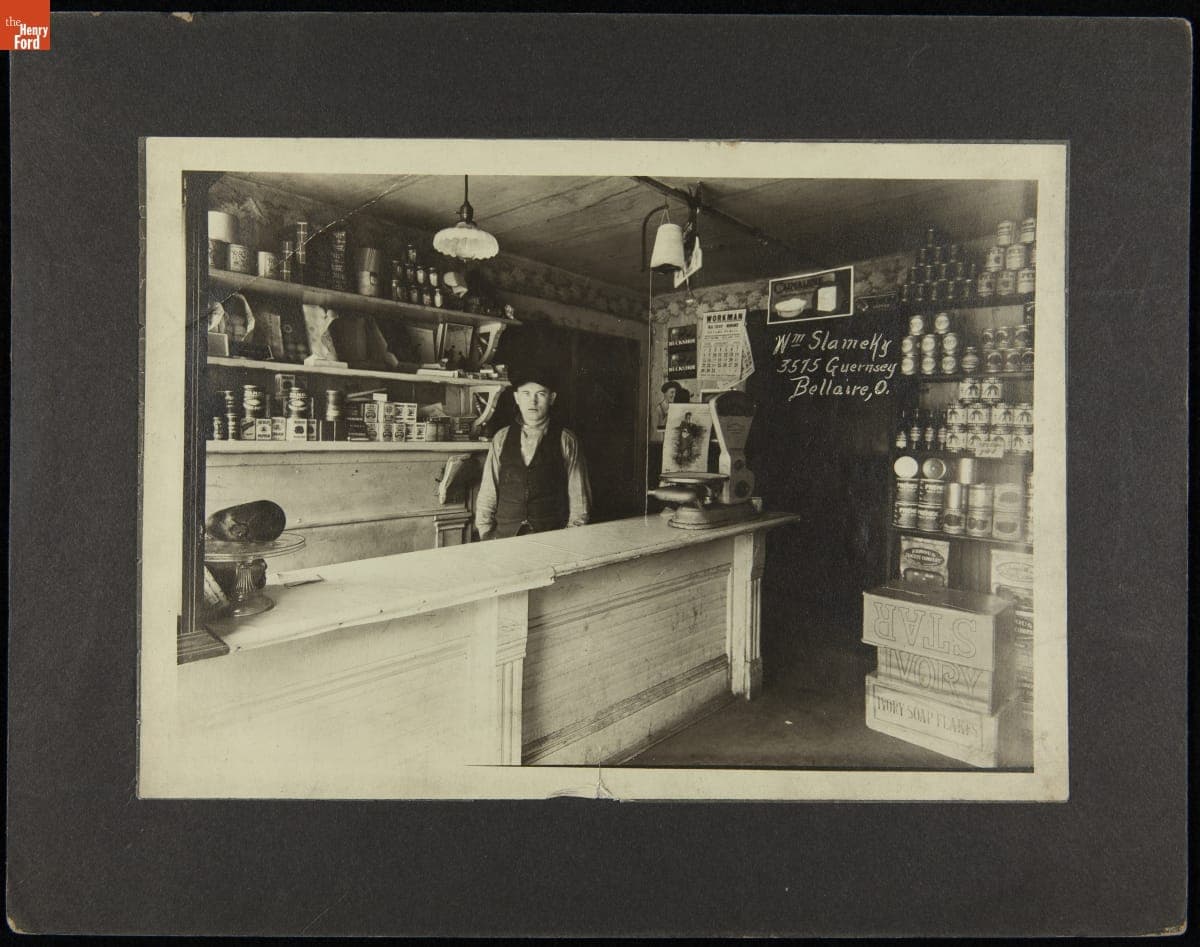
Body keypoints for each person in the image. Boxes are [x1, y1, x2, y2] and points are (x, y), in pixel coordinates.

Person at [475, 366, 592, 540]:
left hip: (551, 540)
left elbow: (579, 500)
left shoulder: (566, 439)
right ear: (517, 397)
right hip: (503, 539)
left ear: (552, 398)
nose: (533, 401)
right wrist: (485, 532)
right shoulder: (501, 437)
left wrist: (570, 540)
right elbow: (488, 491)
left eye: (541, 394)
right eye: (526, 394)